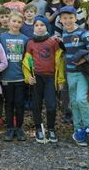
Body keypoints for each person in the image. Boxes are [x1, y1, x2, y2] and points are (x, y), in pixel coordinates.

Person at [59, 6, 89, 147]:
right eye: (64, 18)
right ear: (61, 20)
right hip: (70, 73)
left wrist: (84, 59)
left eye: (70, 17)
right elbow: (66, 51)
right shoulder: (64, 34)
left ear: (76, 18)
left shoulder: (83, 33)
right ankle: (79, 130)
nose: (68, 20)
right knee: (74, 102)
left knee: (81, 99)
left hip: (82, 73)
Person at [22, 15, 64, 143]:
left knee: (51, 105)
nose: (39, 28)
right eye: (36, 25)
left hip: (50, 78)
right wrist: (28, 77)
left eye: (42, 25)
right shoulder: (30, 43)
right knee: (36, 105)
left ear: (47, 27)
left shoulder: (53, 42)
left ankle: (51, 129)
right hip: (36, 78)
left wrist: (60, 79)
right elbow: (26, 62)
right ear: (33, 27)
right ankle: (39, 129)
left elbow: (60, 61)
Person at [0, 11, 29, 141]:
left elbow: (28, 59)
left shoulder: (25, 39)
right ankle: (10, 128)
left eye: (19, 22)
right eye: (14, 21)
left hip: (20, 77)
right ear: (8, 22)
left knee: (19, 103)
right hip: (6, 77)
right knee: (9, 103)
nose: (16, 24)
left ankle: (19, 128)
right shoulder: (1, 37)